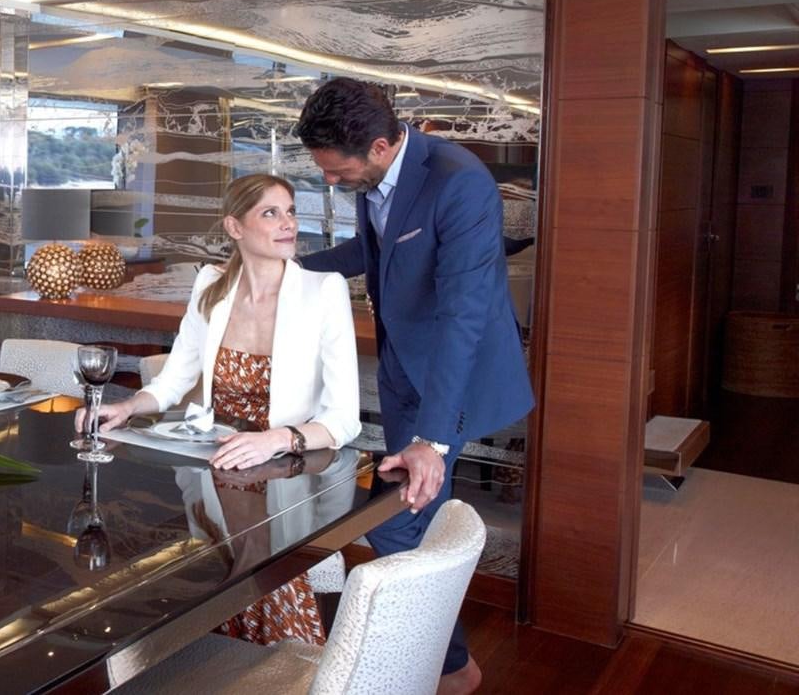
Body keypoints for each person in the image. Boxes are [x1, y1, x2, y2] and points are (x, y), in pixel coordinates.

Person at [296, 77, 535, 695]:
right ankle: (445, 664)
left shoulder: (459, 182)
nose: (329, 180)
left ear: (379, 147)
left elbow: (463, 315)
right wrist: (288, 267)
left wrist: (432, 437)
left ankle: (449, 668)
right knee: (402, 522)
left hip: (451, 377)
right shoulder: (374, 177)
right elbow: (370, 250)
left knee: (398, 523)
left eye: (336, 170)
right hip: (403, 369)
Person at [78, 172, 361, 645]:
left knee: (277, 623)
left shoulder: (323, 290)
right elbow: (174, 379)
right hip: (218, 475)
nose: (288, 223)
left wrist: (277, 438)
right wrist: (127, 407)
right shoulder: (211, 284)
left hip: (285, 478)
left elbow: (344, 418)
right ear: (234, 227)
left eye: (290, 211)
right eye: (270, 213)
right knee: (208, 619)